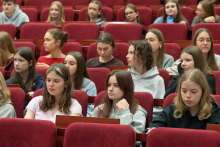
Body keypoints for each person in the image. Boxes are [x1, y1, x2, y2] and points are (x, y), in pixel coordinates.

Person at [145, 69, 220, 134]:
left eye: (193, 92)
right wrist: (152, 130)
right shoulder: (171, 111)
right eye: (184, 91)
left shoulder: (214, 114)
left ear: (203, 92)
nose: (188, 95)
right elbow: (153, 128)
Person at [126, 40, 165, 119]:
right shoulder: (126, 77)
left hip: (148, 120)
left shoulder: (158, 80)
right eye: (128, 52)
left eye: (131, 53)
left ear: (142, 56)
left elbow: (159, 109)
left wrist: (141, 116)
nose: (127, 56)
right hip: (126, 118)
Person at [64, 52, 97, 117]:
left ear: (79, 66)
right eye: (65, 63)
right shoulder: (59, 81)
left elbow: (90, 110)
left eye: (71, 64)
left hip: (81, 120)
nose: (66, 66)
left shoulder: (90, 85)